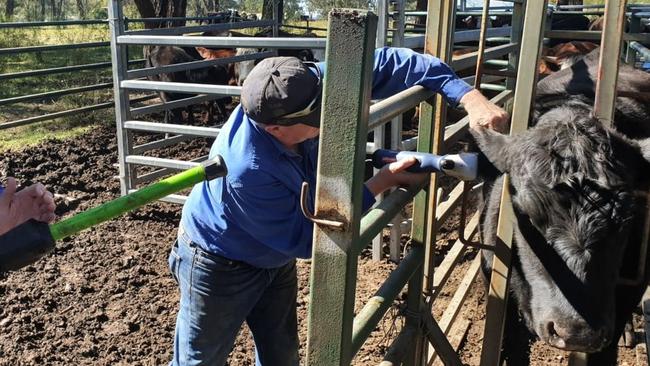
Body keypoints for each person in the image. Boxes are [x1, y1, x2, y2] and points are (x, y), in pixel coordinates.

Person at [168, 46, 509, 365]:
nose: (329, 120)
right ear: (275, 127)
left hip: (274, 256)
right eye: (319, 117)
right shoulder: (248, 168)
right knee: (201, 358)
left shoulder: (300, 87)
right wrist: (380, 183)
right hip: (220, 262)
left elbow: (393, 62)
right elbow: (306, 239)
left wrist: (468, 96)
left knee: (282, 355)